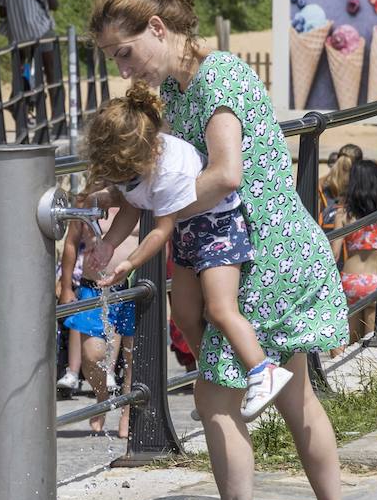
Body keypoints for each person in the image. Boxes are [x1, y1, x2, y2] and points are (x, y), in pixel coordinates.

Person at [90, 0, 350, 500]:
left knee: (215, 403)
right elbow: (161, 182)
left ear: (158, 27)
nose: (123, 70)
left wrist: (159, 221)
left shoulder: (219, 78)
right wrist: (118, 208)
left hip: (258, 255)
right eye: (112, 58)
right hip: (260, 250)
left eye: (124, 53)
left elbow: (226, 173)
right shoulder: (179, 97)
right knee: (296, 398)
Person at [80, 82, 293, 420]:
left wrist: (130, 263)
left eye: (122, 174)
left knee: (221, 309)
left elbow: (160, 230)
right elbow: (133, 205)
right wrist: (108, 244)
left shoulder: (167, 170)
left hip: (219, 228)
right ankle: (210, 380)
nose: (120, 180)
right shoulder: (135, 163)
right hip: (190, 231)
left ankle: (262, 370)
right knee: (181, 313)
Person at [58, 203, 137, 438]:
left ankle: (127, 411)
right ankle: (102, 397)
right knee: (91, 355)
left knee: (133, 354)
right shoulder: (87, 202)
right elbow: (71, 243)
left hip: (132, 285)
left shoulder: (137, 198)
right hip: (94, 287)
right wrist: (65, 287)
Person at [330, 160, 377, 343]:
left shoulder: (343, 215)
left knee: (350, 344)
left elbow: (335, 254)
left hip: (351, 280)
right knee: (371, 344)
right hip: (376, 279)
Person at [0, 0, 61, 94]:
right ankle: (56, 111)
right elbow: (54, 5)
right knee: (50, 69)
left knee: (18, 70)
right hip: (42, 31)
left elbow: (1, 12)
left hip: (17, 34)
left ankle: (18, 100)